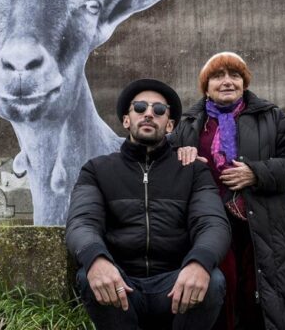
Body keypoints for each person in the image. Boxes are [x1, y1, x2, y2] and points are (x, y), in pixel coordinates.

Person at [66, 78, 231, 330]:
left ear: (170, 125)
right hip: (122, 282)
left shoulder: (192, 170)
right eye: (140, 108)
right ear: (126, 120)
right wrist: (96, 259)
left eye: (159, 110)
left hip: (175, 283)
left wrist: (199, 262)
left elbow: (212, 222)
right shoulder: (97, 170)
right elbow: (82, 221)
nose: (149, 114)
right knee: (88, 276)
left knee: (213, 279)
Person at [171, 52, 285, 330]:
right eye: (218, 76)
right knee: (221, 290)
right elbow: (162, 170)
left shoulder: (272, 117)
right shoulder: (187, 125)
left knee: (262, 297)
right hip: (209, 227)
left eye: (235, 75)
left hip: (263, 227)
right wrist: (181, 162)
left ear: (244, 83)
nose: (227, 81)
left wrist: (255, 173)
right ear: (205, 86)